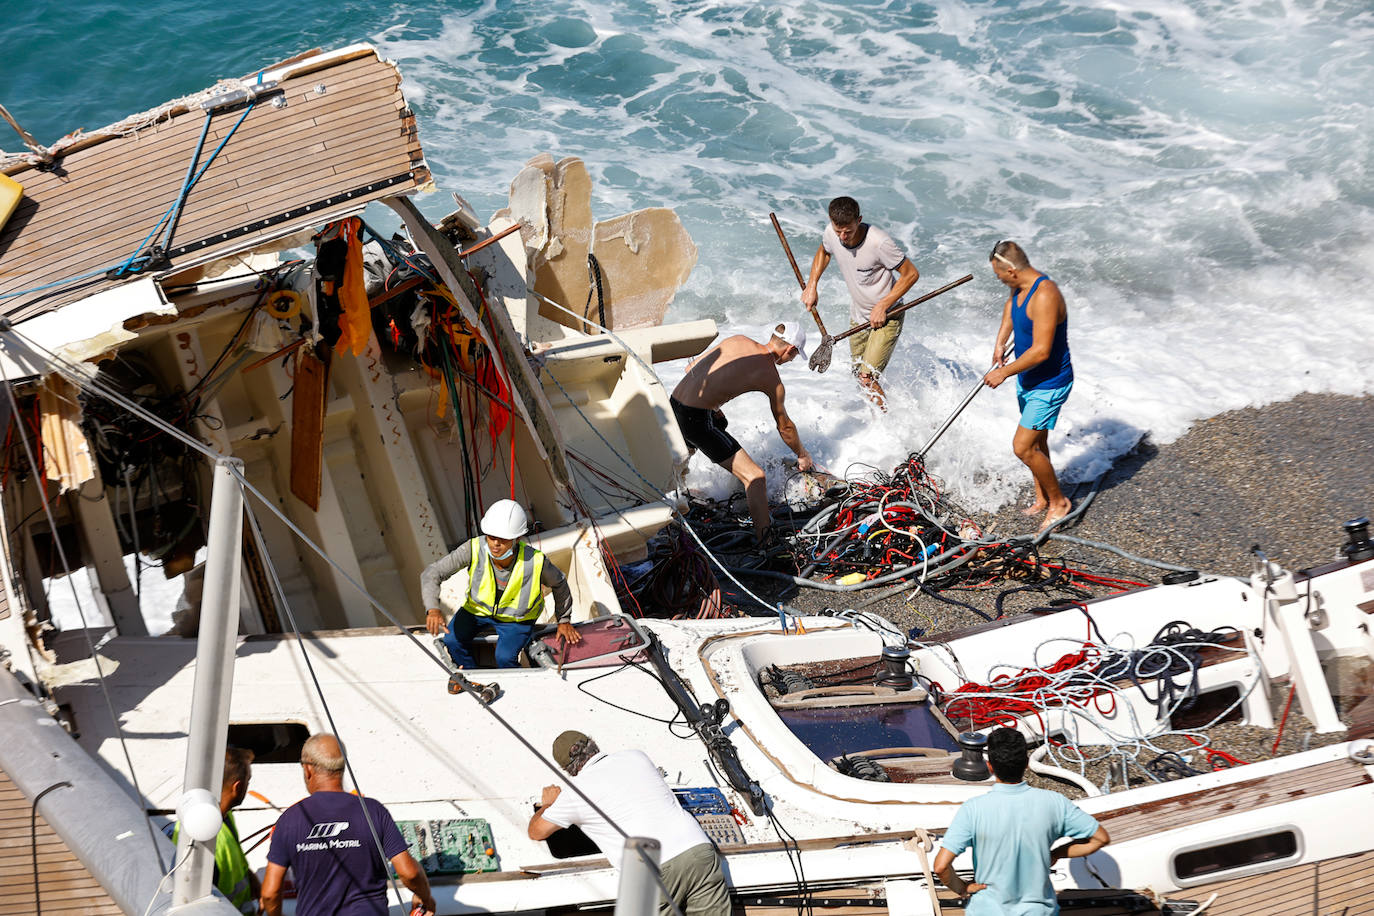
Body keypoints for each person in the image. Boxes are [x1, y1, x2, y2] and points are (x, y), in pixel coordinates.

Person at [528, 731, 731, 916]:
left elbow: (536, 831)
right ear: (593, 744)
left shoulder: (575, 794)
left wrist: (548, 805)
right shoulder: (637, 756)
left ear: (568, 769)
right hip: (697, 849)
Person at [932, 728, 1109, 914]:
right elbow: (1100, 838)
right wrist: (1055, 854)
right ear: (1026, 764)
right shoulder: (1055, 803)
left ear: (990, 767)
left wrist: (962, 887)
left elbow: (941, 866)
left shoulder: (973, 809)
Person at [670, 322, 814, 545]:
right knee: (755, 477)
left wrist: (714, 405)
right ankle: (766, 542)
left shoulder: (738, 340)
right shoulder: (771, 377)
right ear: (790, 349)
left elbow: (691, 368)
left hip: (674, 404)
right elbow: (785, 427)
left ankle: (675, 498)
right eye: (795, 355)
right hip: (694, 418)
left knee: (712, 428)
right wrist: (802, 455)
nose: (792, 360)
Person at [260, 734, 435, 916]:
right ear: (342, 768)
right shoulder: (373, 811)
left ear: (308, 769)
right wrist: (426, 898)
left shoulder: (289, 820)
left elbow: (270, 893)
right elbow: (409, 873)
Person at [422, 498, 580, 670]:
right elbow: (433, 573)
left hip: (516, 620)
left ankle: (517, 678)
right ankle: (470, 675)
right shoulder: (473, 548)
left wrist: (564, 620)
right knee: (452, 640)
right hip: (476, 611)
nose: (496, 544)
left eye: (503, 539)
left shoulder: (536, 561)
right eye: (491, 537)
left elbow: (559, 584)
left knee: (504, 658)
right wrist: (433, 609)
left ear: (517, 539)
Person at [981, 240, 1074, 532]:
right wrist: (1000, 342)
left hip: (1049, 383)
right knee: (1037, 442)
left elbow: (1041, 351)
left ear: (1011, 271)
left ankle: (1059, 503)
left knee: (1022, 447)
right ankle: (1042, 497)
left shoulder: (1045, 294)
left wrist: (1003, 372)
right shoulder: (1019, 287)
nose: (999, 280)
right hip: (1029, 379)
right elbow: (1011, 308)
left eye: (999, 276)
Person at [800, 196, 920, 409]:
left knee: (867, 378)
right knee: (858, 373)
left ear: (859, 220)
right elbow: (824, 252)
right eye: (838, 231)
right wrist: (812, 285)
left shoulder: (879, 243)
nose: (843, 237)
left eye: (848, 231)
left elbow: (911, 274)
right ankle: (877, 415)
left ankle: (889, 421)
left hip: (888, 315)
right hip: (859, 315)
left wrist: (883, 305)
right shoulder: (831, 233)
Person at [164, 747, 259, 914]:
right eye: (248, 781)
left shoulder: (225, 816)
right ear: (237, 787)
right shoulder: (206, 836)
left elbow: (236, 861)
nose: (248, 785)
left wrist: (253, 881)